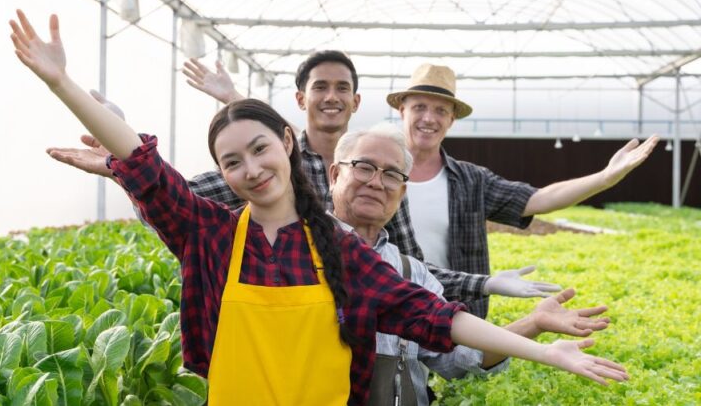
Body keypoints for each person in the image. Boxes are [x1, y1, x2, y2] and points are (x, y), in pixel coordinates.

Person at [10, 10, 628, 405]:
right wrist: (60, 83)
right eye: (231, 163)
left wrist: (544, 348)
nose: (250, 170)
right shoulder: (211, 236)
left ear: (287, 143)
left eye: (259, 150)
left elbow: (439, 319)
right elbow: (146, 169)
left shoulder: (345, 255)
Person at [47, 53, 563, 302]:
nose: (331, 96)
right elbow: (171, 197)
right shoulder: (268, 174)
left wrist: (485, 286)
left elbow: (404, 269)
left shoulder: (373, 174)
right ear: (300, 101)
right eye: (320, 87)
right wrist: (122, 156)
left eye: (343, 88)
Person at [327, 124, 612, 405]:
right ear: (335, 174)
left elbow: (458, 361)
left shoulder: (411, 273)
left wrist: (534, 323)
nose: (376, 182)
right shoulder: (300, 251)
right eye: (364, 167)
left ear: (401, 194)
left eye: (391, 175)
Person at [388, 64, 660, 318]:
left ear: (451, 120)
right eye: (419, 107)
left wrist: (605, 178)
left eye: (441, 111)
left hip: (454, 317)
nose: (429, 118)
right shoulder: (377, 172)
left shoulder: (471, 180)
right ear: (402, 111)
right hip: (391, 311)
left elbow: (539, 199)